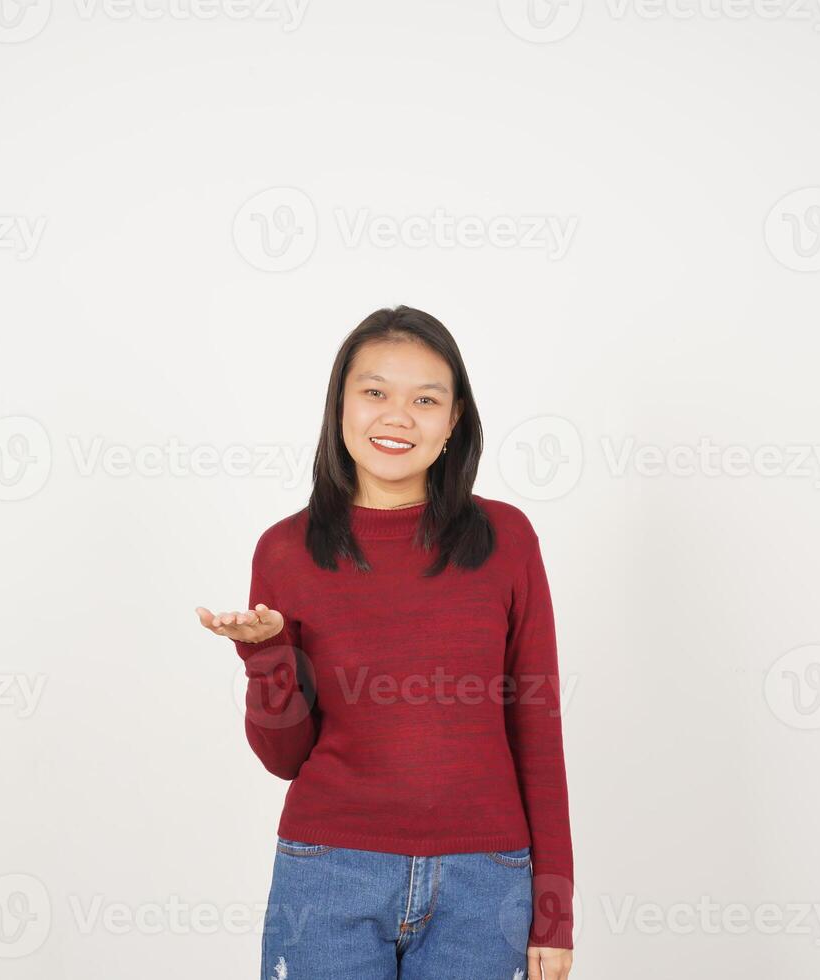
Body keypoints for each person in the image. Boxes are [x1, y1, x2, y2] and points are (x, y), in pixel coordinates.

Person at [196, 305, 575, 980]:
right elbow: (285, 758)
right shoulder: (286, 552)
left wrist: (554, 914)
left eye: (424, 399)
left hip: (484, 885)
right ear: (340, 404)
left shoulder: (507, 541)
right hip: (328, 874)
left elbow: (537, 730)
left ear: (454, 419)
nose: (397, 417)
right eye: (374, 393)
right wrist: (267, 656)